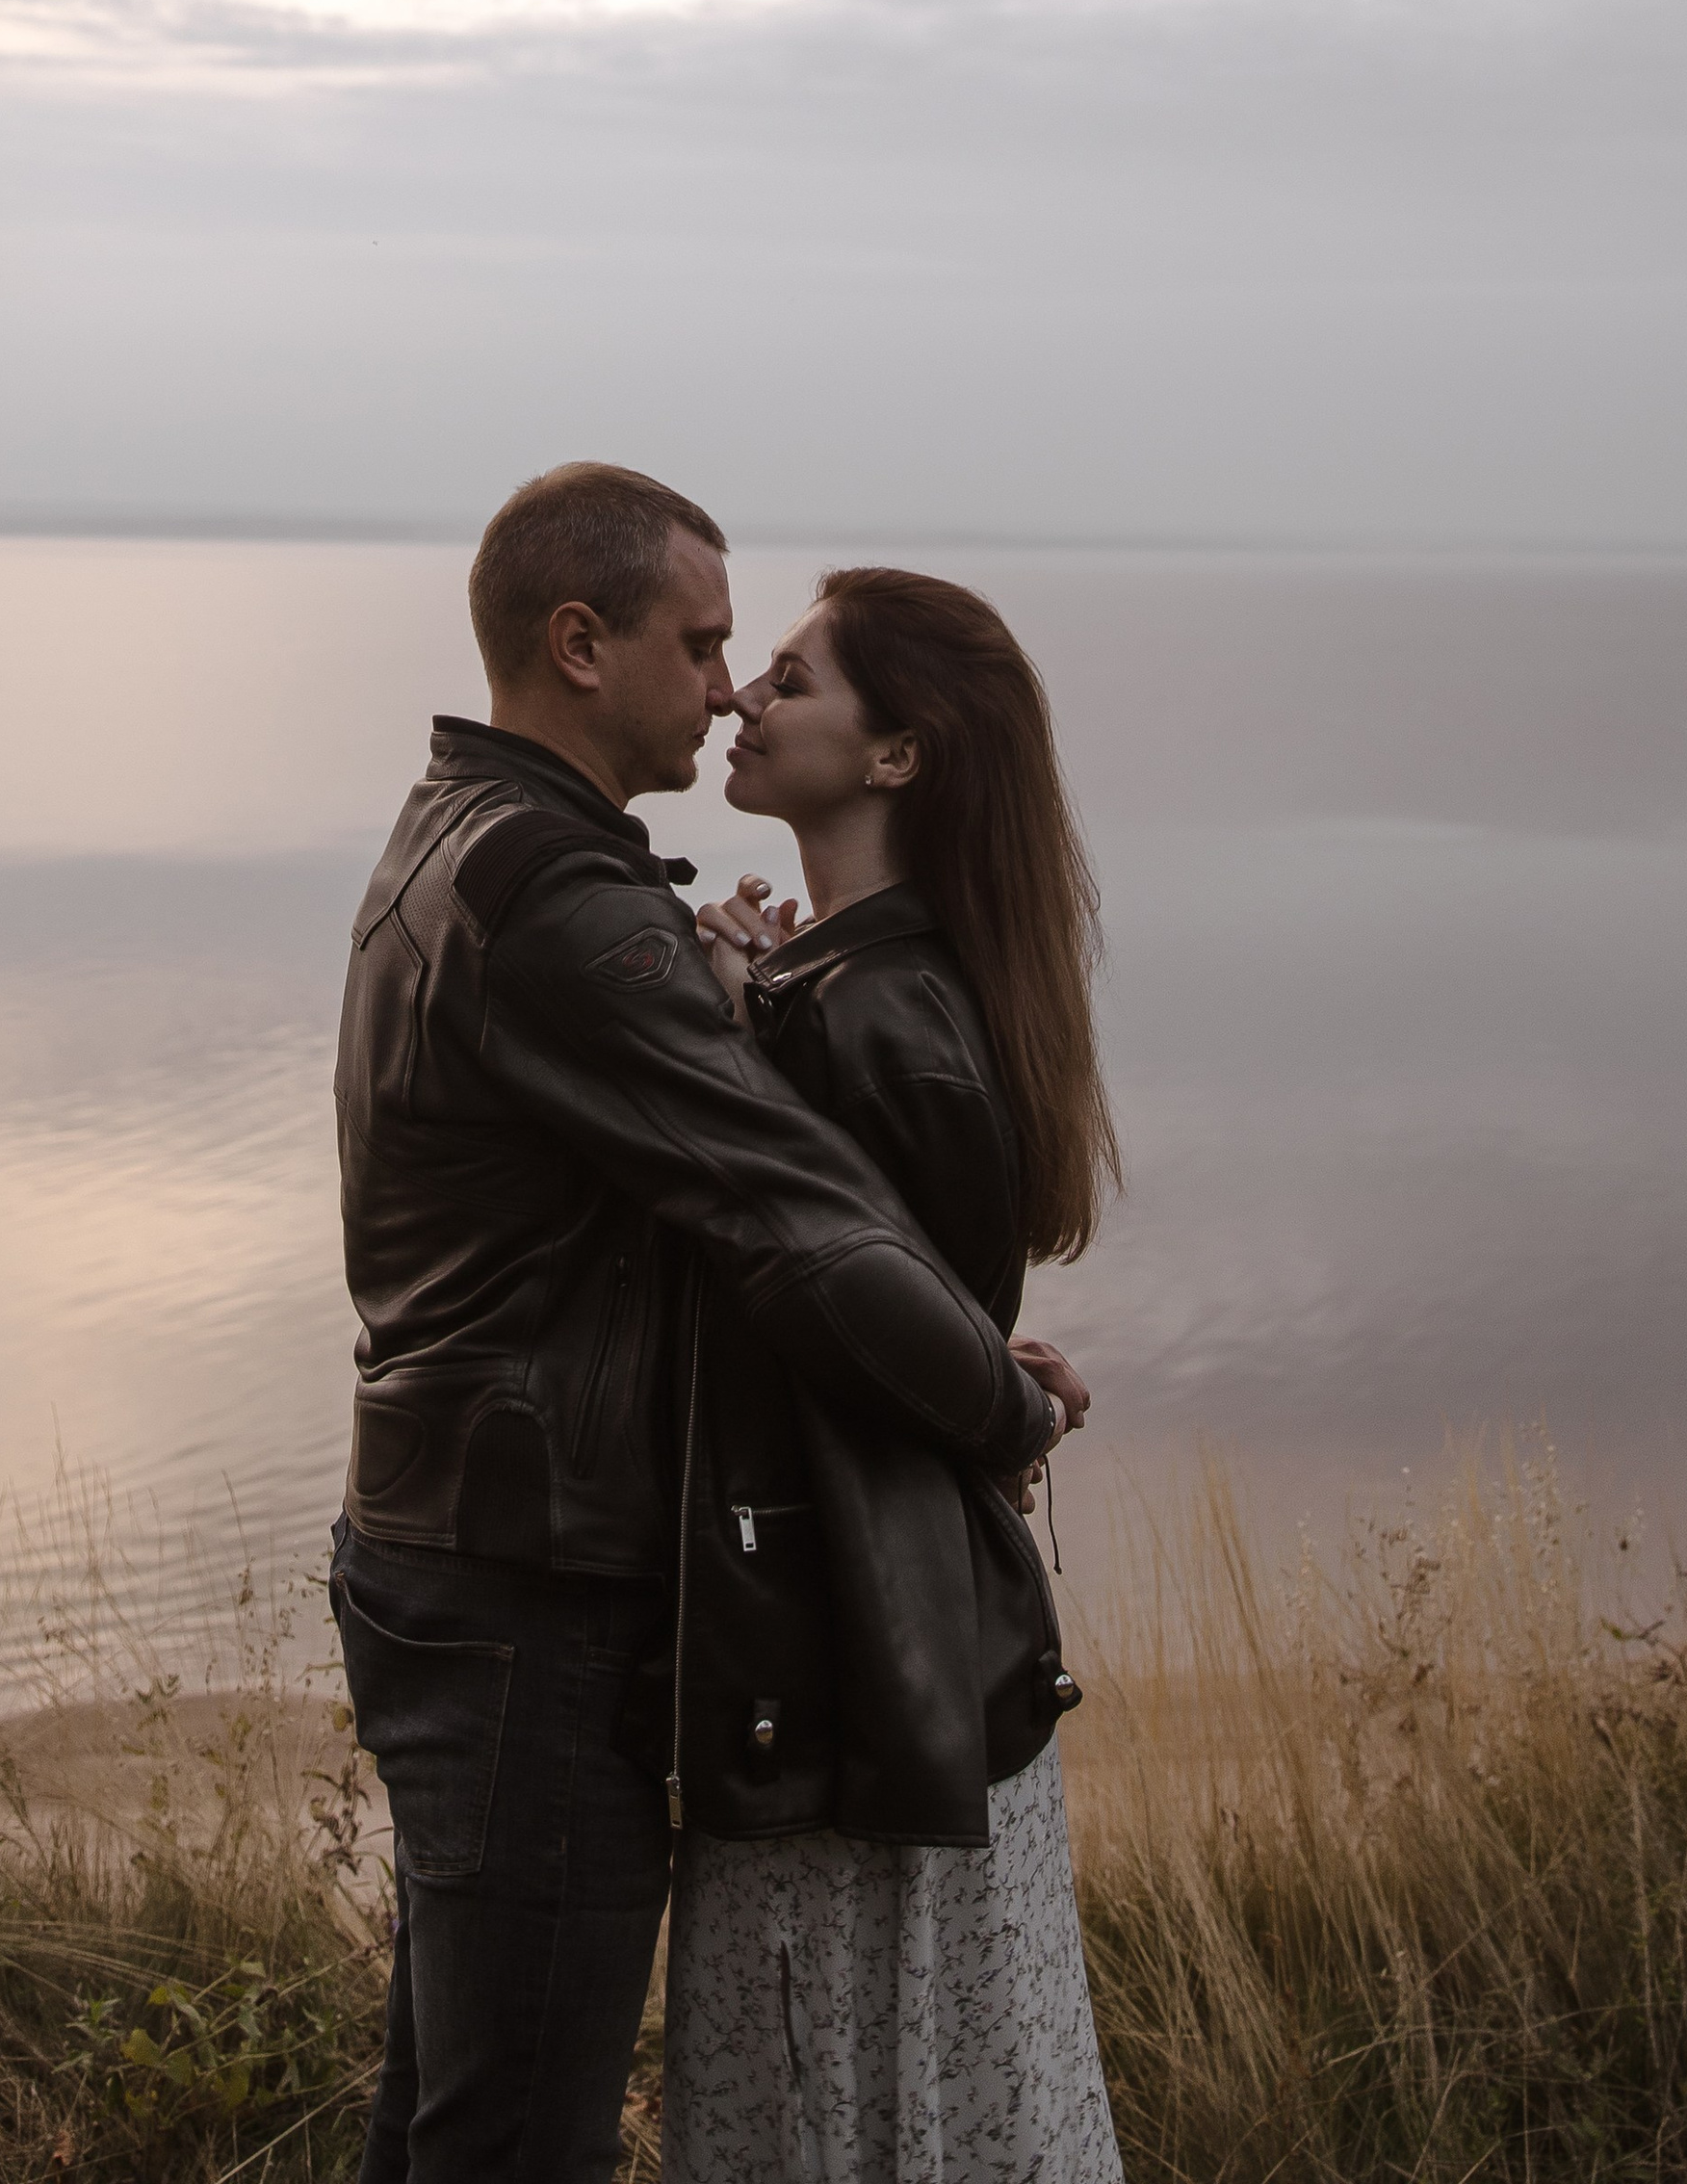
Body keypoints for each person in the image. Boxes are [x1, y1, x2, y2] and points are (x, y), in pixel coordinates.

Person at [329, 469, 1064, 2184]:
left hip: (464, 1557)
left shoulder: (475, 832)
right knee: (513, 2141)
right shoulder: (564, 901)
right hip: (530, 1594)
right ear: (581, 643)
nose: (728, 685)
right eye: (707, 641)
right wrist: (1000, 1412)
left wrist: (722, 974)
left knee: (449, 2113)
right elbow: (798, 1215)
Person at [662, 566, 1123, 2184]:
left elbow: (868, 1334)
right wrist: (748, 1012)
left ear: (898, 756)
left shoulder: (880, 1020)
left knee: (847, 2108)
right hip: (877, 1659)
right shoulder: (849, 992)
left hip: (856, 1676)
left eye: (788, 678)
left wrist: (736, 1039)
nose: (740, 697)